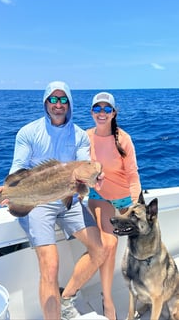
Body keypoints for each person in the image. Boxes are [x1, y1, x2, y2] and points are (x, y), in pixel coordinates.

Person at [0, 81, 106, 320]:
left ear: (69, 104)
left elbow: (82, 165)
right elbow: (19, 167)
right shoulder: (28, 132)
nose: (58, 105)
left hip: (68, 197)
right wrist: (11, 191)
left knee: (100, 250)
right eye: (53, 99)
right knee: (50, 267)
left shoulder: (79, 135)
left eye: (63, 100)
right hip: (38, 201)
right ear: (46, 102)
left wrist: (93, 177)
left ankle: (67, 298)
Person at [87, 92, 142, 320]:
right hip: (99, 197)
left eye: (106, 109)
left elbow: (133, 176)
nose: (102, 112)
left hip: (125, 199)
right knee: (109, 244)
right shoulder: (84, 137)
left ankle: (145, 293)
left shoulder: (123, 139)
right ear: (91, 112)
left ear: (113, 113)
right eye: (97, 108)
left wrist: (133, 205)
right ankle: (108, 301)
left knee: (140, 248)